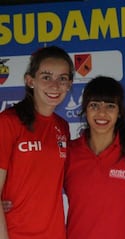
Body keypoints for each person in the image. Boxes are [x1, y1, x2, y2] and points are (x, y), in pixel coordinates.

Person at [0, 46, 74, 239]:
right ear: (30, 81)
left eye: (62, 78)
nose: (55, 85)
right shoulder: (8, 122)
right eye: (46, 77)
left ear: (69, 85)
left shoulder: (63, 127)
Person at [64, 76, 125, 239]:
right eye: (94, 105)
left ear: (119, 112)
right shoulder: (69, 152)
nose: (102, 113)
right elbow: (43, 191)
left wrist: (112, 205)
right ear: (85, 109)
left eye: (110, 106)